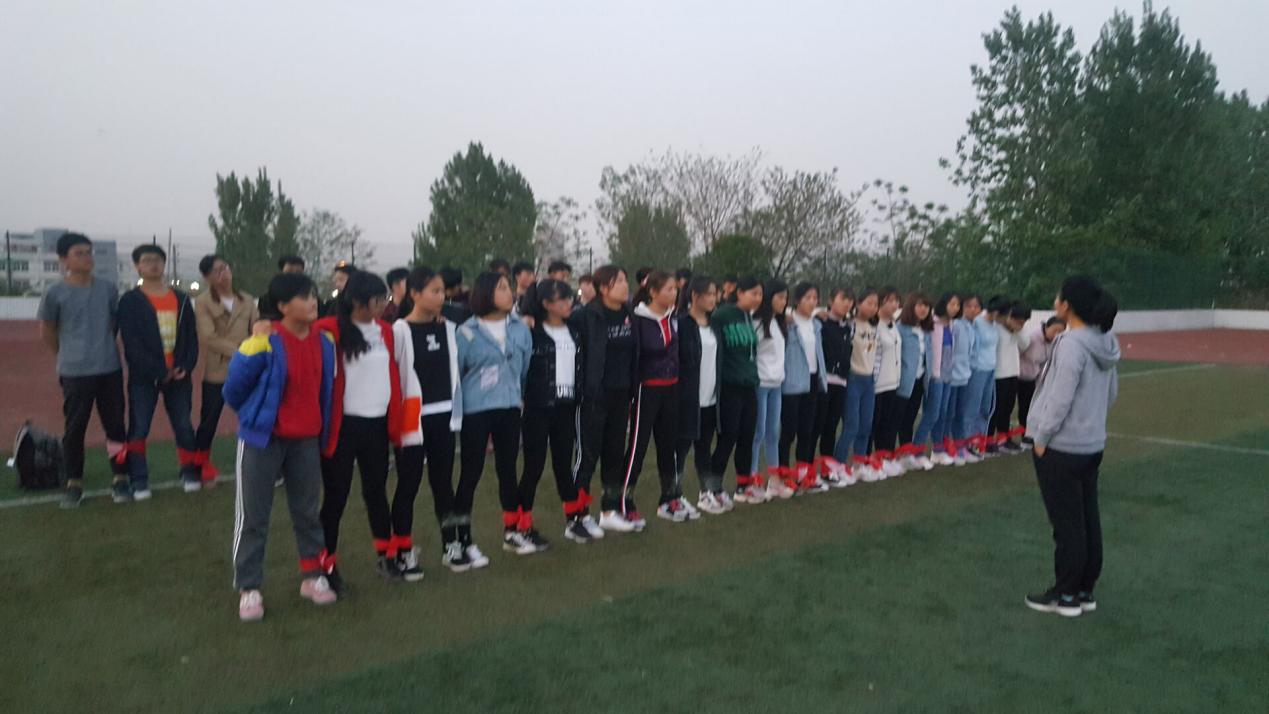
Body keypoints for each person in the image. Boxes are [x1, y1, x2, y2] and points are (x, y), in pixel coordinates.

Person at [224, 272, 338, 621]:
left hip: (306, 440)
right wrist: (256, 417)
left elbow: (325, 391)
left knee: (307, 513)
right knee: (253, 517)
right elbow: (233, 390)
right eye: (304, 297)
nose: (313, 302)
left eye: (313, 295)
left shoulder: (324, 342)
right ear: (283, 306)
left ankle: (312, 576)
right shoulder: (265, 341)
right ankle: (249, 587)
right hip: (263, 439)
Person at [1024, 276, 1119, 618]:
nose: (1055, 301)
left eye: (1058, 297)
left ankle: (1065, 594)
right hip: (1091, 444)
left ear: (1067, 305)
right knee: (1087, 519)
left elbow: (1059, 397)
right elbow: (1111, 393)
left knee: (1067, 524)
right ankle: (1083, 589)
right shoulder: (1105, 341)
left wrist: (1042, 438)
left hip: (1062, 448)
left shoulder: (1070, 344)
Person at [313, 271, 405, 590]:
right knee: (336, 497)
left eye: (384, 298)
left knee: (376, 492)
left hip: (377, 425)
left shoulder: (386, 331)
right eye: (377, 300)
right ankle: (326, 563)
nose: (383, 305)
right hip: (343, 427)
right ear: (355, 301)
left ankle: (386, 554)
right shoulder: (329, 330)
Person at [38, 232, 132, 508]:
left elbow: (113, 324)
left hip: (109, 368)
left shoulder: (107, 289)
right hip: (75, 372)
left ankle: (120, 477)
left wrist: (102, 348)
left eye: (89, 252)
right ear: (64, 260)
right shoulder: (55, 293)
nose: (87, 258)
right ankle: (73, 483)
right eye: (79, 253)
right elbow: (47, 331)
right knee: (75, 428)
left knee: (115, 427)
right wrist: (68, 354)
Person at [455, 272, 533, 560]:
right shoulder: (466, 331)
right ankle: (462, 540)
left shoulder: (520, 329)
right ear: (486, 294)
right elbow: (458, 372)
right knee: (470, 473)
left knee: (508, 470)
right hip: (475, 410)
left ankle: (512, 532)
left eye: (508, 287)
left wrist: (517, 395)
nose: (509, 292)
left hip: (509, 407)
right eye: (501, 288)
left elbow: (524, 368)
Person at [393, 267, 466, 574]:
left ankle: (451, 545)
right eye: (434, 291)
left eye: (442, 291)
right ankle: (403, 552)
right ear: (414, 294)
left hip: (444, 416)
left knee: (443, 484)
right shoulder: (399, 330)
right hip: (412, 419)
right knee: (408, 484)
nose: (441, 297)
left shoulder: (448, 327)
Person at [117, 244, 200, 498]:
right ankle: (139, 479)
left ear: (164, 264)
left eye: (157, 260)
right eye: (147, 260)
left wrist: (185, 366)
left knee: (183, 425)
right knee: (139, 428)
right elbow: (131, 343)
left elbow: (191, 339)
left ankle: (189, 471)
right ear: (137, 266)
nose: (153, 264)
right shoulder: (130, 301)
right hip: (144, 378)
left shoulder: (181, 299)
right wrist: (158, 371)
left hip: (179, 376)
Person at [624, 271, 698, 523]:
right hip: (647, 390)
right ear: (653, 292)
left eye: (675, 289)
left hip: (672, 389)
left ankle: (669, 500)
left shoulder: (673, 317)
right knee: (638, 448)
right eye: (668, 289)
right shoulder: (637, 319)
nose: (674, 293)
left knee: (668, 448)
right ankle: (623, 502)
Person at [518, 279, 588, 544]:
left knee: (563, 464)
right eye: (562, 299)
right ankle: (521, 525)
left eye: (570, 297)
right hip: (538, 407)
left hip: (566, 406)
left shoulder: (574, 329)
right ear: (546, 304)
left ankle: (573, 520)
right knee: (533, 466)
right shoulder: (531, 331)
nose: (569, 303)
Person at [570, 265, 637, 534]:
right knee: (587, 458)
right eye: (618, 281)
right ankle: (577, 516)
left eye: (625, 280)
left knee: (614, 456)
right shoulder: (585, 316)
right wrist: (584, 390)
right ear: (603, 288)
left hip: (621, 395)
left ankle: (609, 510)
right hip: (594, 397)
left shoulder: (629, 313)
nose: (625, 285)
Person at [194, 254, 258, 486]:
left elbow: (256, 330)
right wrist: (240, 351)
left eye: (226, 268)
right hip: (219, 368)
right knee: (209, 418)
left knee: (254, 415)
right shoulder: (203, 302)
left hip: (246, 368)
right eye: (217, 271)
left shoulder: (247, 300)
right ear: (207, 277)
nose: (224, 273)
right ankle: (201, 463)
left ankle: (260, 461)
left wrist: (253, 351)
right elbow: (208, 336)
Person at [674, 276, 729, 514]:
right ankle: (673, 496)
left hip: (710, 398)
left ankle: (706, 493)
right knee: (680, 450)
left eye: (716, 294)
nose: (714, 298)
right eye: (709, 294)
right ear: (695, 296)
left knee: (704, 448)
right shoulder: (681, 324)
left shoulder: (714, 324)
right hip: (687, 399)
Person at [773, 281, 829, 496]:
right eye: (808, 298)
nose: (812, 302)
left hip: (813, 381)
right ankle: (783, 475)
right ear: (797, 300)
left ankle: (804, 474)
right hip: (792, 382)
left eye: (815, 298)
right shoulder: (787, 323)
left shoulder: (816, 325)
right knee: (788, 432)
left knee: (807, 430)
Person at [710, 277, 763, 504]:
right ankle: (712, 488)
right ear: (740, 293)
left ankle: (744, 485)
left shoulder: (748, 317)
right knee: (728, 437)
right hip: (729, 386)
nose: (758, 298)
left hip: (749, 385)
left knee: (747, 437)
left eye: (760, 294)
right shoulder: (723, 315)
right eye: (753, 293)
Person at [833, 288, 879, 479]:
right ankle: (838, 465)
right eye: (869, 303)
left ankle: (859, 464)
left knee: (866, 425)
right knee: (851, 426)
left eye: (875, 304)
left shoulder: (874, 327)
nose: (873, 307)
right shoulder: (850, 325)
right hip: (853, 378)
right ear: (858, 304)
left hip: (869, 380)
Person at [913, 293, 961, 466]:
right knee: (932, 414)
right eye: (952, 304)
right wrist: (935, 374)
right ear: (943, 304)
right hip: (935, 375)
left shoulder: (951, 324)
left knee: (943, 413)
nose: (955, 308)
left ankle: (938, 450)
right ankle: (917, 450)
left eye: (957, 305)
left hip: (948, 375)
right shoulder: (933, 323)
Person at [751, 279, 788, 491]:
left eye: (786, 298)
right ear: (769, 298)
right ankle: (751, 479)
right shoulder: (756, 322)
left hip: (777, 384)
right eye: (780, 297)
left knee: (773, 432)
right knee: (758, 433)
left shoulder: (779, 322)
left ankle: (774, 480)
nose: (784, 302)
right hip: (760, 384)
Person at [815, 288, 854, 485]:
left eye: (850, 300)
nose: (847, 303)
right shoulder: (820, 324)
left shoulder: (847, 327)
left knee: (831, 427)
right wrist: (817, 314)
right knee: (816, 427)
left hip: (841, 382)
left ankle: (827, 469)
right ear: (831, 301)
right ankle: (807, 470)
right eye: (843, 298)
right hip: (824, 382)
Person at [896, 293, 935, 471]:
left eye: (926, 306)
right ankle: (894, 456)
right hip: (903, 382)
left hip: (919, 380)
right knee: (898, 419)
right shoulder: (901, 328)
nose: (923, 309)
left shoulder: (926, 331)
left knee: (909, 418)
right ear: (911, 307)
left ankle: (907, 453)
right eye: (919, 305)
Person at [869, 287, 904, 478]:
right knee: (874, 423)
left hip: (893, 382)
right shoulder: (875, 325)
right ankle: (869, 460)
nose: (894, 305)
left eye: (896, 301)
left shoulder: (893, 324)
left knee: (888, 423)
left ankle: (885, 457)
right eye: (890, 301)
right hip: (877, 384)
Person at [988, 299, 1030, 453]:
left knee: (1008, 408)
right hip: (998, 375)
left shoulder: (1017, 331)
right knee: (996, 409)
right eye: (1018, 321)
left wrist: (1017, 331)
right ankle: (988, 440)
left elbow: (1025, 345)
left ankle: (1003, 438)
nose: (1021, 325)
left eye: (1023, 322)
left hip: (1013, 373)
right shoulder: (996, 328)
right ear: (1009, 316)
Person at [1018, 314, 1066, 444]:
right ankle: (1005, 437)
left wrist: (1040, 383)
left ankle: (1028, 435)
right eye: (1055, 330)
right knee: (1010, 407)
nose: (1057, 334)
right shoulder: (1032, 337)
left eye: (1061, 332)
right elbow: (1017, 353)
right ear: (1046, 327)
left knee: (1029, 407)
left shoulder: (1054, 343)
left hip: (1032, 378)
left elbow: (1044, 363)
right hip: (1017, 375)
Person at [950, 294, 981, 465]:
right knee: (951, 413)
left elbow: (971, 352)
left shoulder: (972, 326)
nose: (972, 309)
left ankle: (960, 446)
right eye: (969, 306)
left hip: (965, 376)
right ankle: (949, 447)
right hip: (952, 376)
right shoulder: (956, 325)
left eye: (976, 306)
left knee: (961, 413)